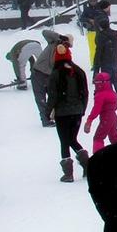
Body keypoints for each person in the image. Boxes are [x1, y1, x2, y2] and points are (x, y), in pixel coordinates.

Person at [47, 39, 91, 182]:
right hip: (77, 111)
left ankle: (68, 174)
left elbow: (52, 95)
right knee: (72, 139)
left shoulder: (55, 74)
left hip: (62, 113)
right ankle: (87, 164)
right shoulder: (79, 71)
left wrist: (47, 112)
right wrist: (82, 108)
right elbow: (85, 92)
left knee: (64, 141)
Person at [30, 30, 64, 127]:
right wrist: (59, 36)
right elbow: (45, 32)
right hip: (38, 73)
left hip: (49, 76)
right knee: (41, 98)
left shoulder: (63, 54)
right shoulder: (53, 43)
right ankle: (46, 120)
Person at [84, 71, 117, 153]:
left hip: (106, 118)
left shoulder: (100, 95)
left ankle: (98, 156)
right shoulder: (112, 93)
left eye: (96, 82)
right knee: (114, 136)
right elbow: (115, 106)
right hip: (113, 117)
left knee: (98, 137)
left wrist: (90, 119)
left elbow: (96, 109)